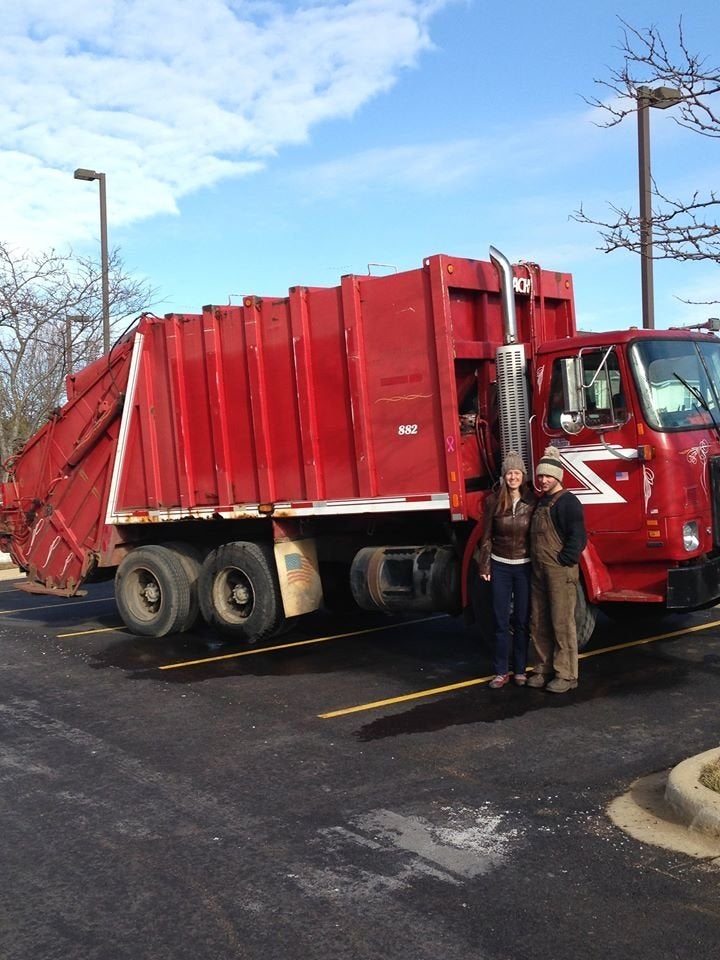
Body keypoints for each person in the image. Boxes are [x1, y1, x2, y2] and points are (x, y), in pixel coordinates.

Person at [527, 445, 587, 694]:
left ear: (558, 477)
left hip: (560, 571)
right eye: (540, 476)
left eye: (548, 476)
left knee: (562, 622)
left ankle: (566, 674)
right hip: (539, 570)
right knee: (539, 620)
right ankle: (543, 668)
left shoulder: (568, 502)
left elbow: (578, 536)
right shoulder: (542, 501)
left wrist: (565, 559)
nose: (543, 480)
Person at [475, 450, 535, 689]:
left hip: (524, 567)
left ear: (523, 475)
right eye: (509, 473)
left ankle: (520, 670)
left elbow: (535, 536)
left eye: (517, 472)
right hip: (500, 567)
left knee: (521, 621)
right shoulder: (493, 502)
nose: (513, 477)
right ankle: (501, 671)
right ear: (504, 476)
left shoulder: (532, 502)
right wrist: (485, 565)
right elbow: (486, 537)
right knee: (500, 622)